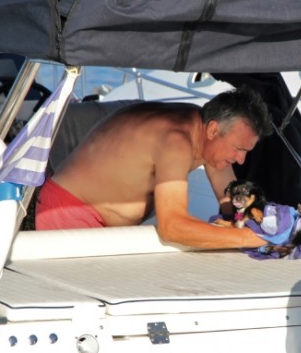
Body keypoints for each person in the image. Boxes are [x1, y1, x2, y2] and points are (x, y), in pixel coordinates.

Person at [35, 86, 273, 249]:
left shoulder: (208, 138)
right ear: (213, 130)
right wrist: (247, 238)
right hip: (69, 210)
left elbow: (233, 203)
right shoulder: (177, 139)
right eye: (238, 149)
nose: (241, 160)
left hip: (106, 224)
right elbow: (172, 227)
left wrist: (262, 222)